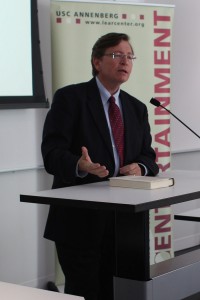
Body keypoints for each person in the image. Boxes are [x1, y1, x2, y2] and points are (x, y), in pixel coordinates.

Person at [41, 32, 159, 300]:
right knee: (85, 292)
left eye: (130, 56)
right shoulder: (70, 98)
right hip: (80, 221)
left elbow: (149, 157)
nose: (125, 62)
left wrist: (140, 167)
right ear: (97, 61)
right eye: (117, 55)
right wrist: (79, 165)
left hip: (125, 223)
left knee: (122, 291)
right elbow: (51, 153)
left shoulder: (136, 108)